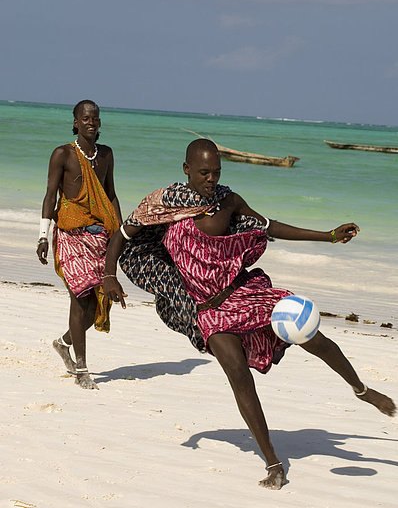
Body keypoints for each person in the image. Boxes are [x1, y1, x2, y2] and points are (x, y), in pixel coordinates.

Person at [102, 139, 395, 489]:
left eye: (217, 172)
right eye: (204, 172)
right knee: (239, 376)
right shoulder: (163, 204)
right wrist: (108, 276)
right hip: (208, 309)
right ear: (186, 170)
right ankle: (273, 463)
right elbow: (122, 234)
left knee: (310, 335)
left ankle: (361, 388)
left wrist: (328, 236)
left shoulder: (229, 200)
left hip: (243, 292)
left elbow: (269, 227)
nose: (211, 179)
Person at [37, 100, 122, 389]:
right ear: (75, 122)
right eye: (85, 118)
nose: (91, 122)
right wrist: (43, 235)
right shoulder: (62, 154)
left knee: (96, 304)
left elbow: (110, 195)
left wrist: (121, 234)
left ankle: (63, 343)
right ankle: (82, 368)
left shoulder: (106, 155)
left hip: (99, 237)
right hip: (71, 235)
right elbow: (50, 196)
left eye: (95, 118)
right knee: (79, 298)